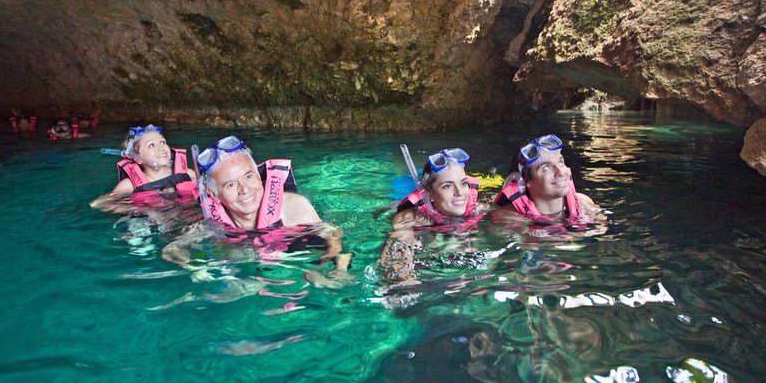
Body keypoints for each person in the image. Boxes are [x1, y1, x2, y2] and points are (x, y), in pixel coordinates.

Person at [162, 135, 351, 280]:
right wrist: (195, 266)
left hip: (298, 254)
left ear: (259, 175)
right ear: (213, 194)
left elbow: (332, 231)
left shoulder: (293, 207)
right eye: (230, 185)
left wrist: (336, 264)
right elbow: (171, 249)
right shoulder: (212, 225)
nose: (244, 190)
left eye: (248, 176)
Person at [379, 147, 487, 283]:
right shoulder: (410, 219)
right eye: (447, 186)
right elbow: (396, 256)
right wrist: (404, 280)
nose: (459, 192)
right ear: (429, 193)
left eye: (463, 183)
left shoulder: (480, 208)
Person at [493, 133, 603, 230]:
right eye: (546, 168)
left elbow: (602, 233)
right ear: (524, 180)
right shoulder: (507, 217)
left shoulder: (584, 204)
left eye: (561, 162)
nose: (560, 172)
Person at [90, 124, 198, 212]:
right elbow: (98, 204)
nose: (161, 148)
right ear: (138, 158)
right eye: (151, 145)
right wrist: (138, 209)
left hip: (185, 216)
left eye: (162, 142)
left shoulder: (187, 174)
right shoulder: (129, 184)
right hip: (149, 224)